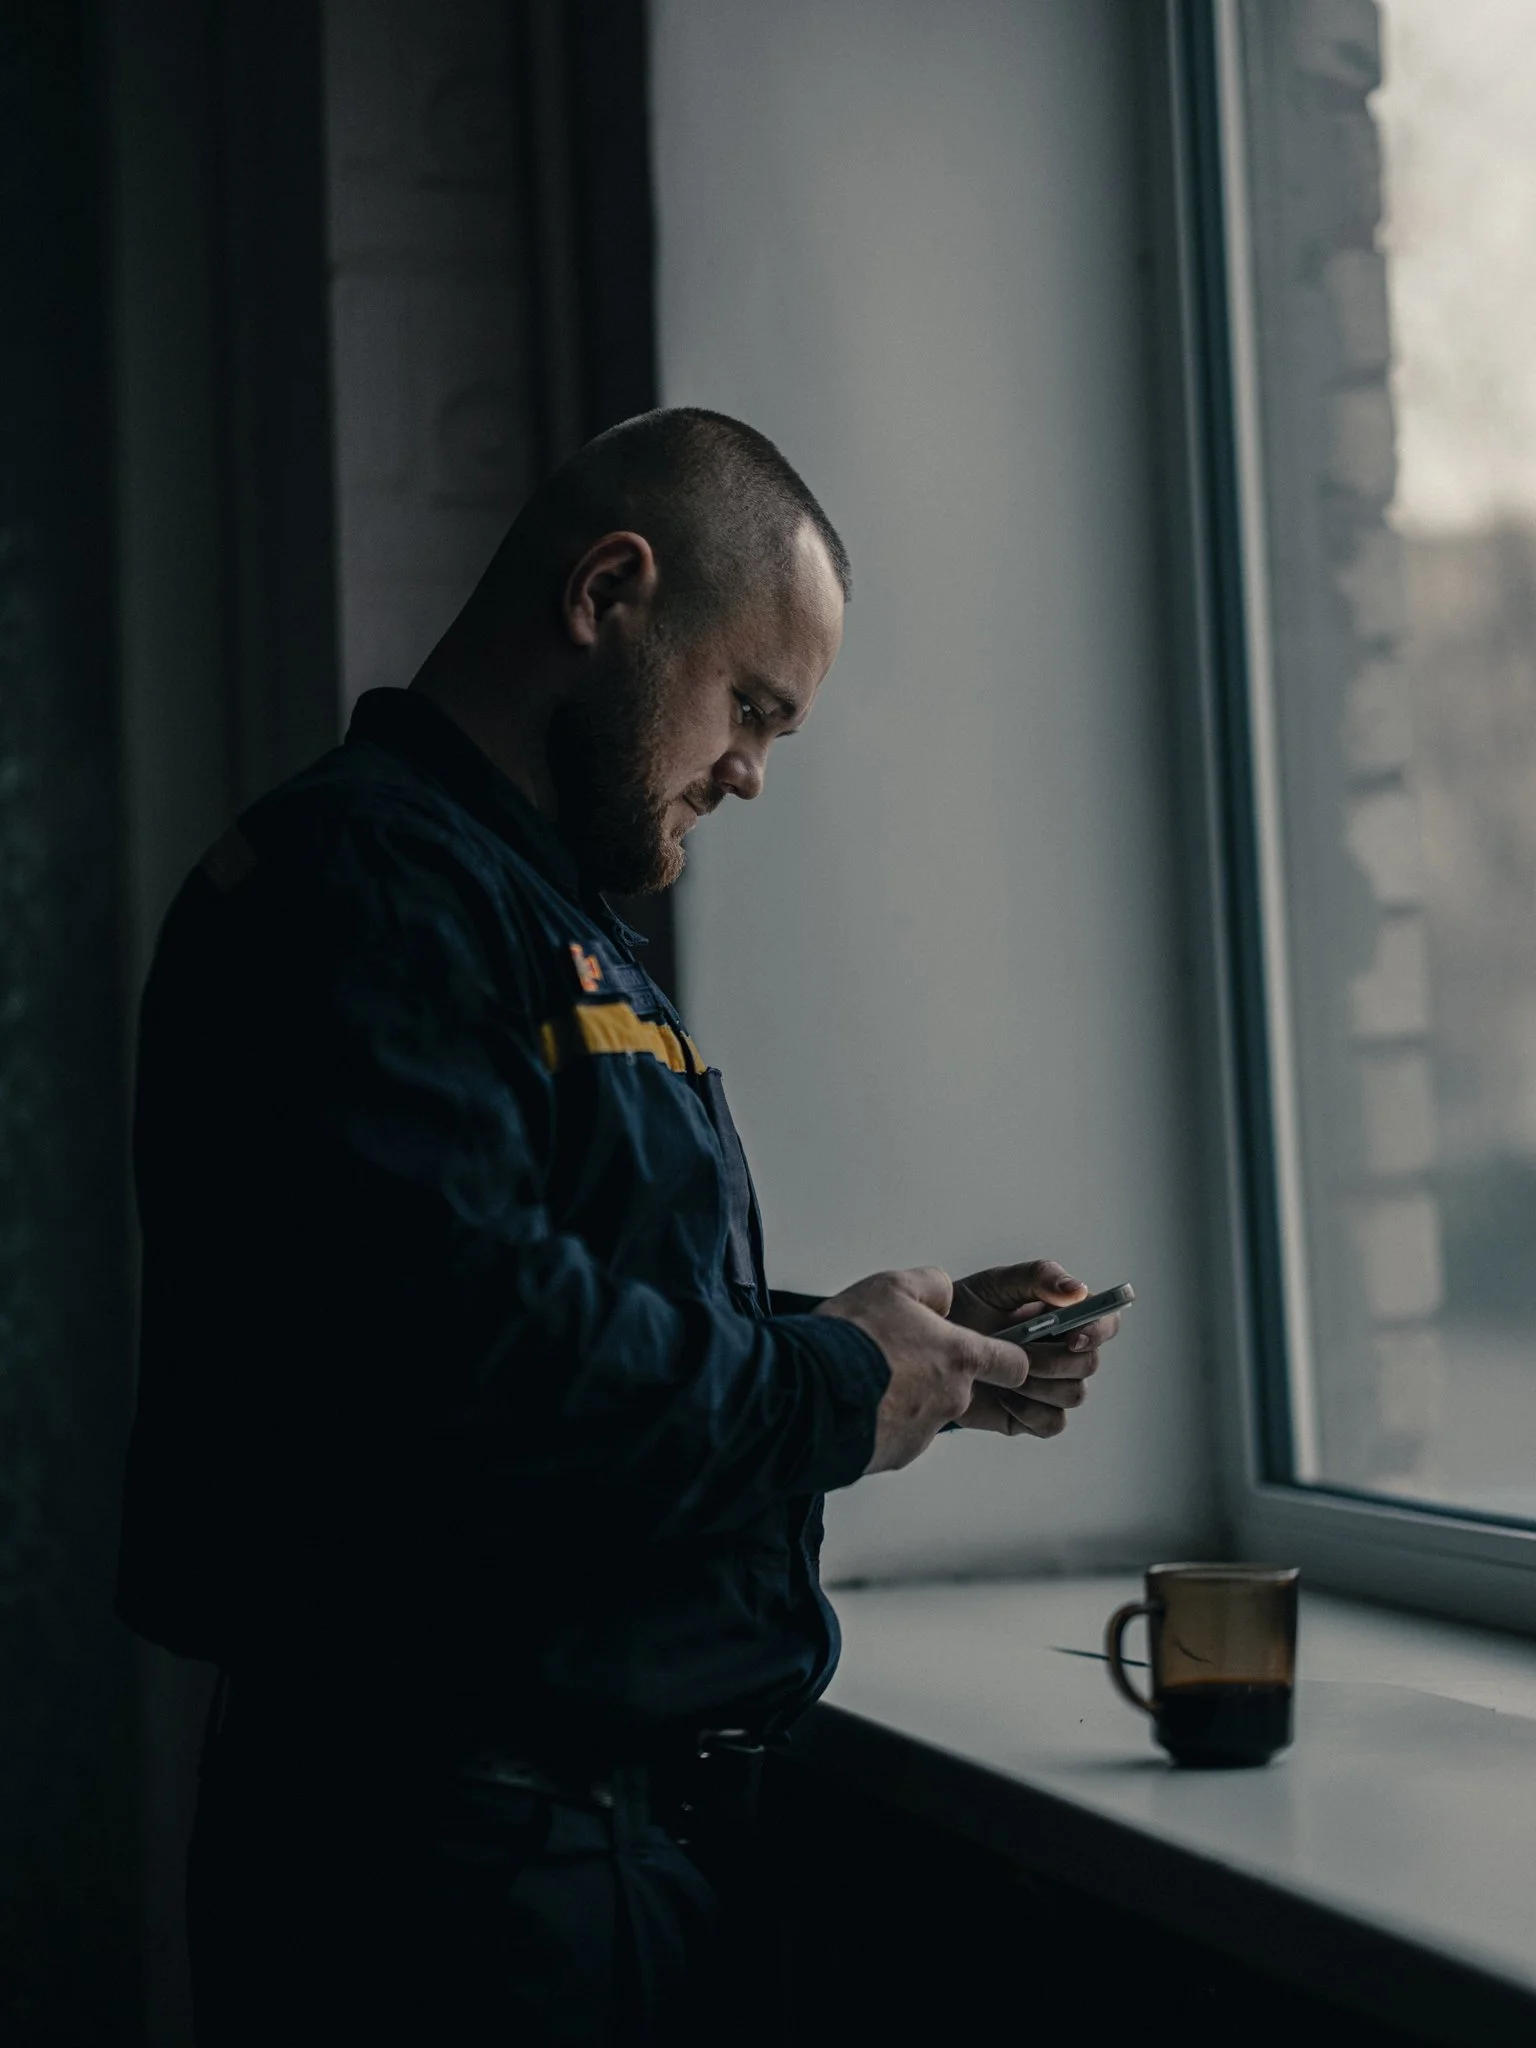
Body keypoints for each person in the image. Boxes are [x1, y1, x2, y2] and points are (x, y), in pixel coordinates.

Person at [117, 407, 1121, 2045]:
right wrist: (827, 1385)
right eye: (753, 706)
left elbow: (553, 1287)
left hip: (566, 1862)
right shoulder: (359, 887)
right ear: (608, 592)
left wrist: (897, 1348)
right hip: (446, 1893)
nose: (751, 771)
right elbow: (477, 1356)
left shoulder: (527, 909)